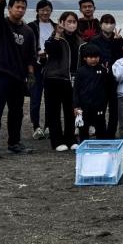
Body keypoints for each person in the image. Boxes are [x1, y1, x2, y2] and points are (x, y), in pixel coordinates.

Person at [0, 0, 36, 159]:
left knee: (16, 112)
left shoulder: (28, 31)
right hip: (0, 74)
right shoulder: (1, 24)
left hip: (18, 78)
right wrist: (0, 0)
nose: (20, 10)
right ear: (10, 8)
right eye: (17, 7)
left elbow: (30, 56)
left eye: (23, 8)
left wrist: (31, 76)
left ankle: (14, 143)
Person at [44, 11, 84, 151]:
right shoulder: (56, 38)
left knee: (70, 110)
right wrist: (57, 34)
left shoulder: (80, 41)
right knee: (54, 111)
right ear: (61, 22)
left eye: (74, 21)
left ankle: (71, 138)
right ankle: (56, 140)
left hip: (72, 79)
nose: (71, 24)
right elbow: (49, 49)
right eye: (68, 21)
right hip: (54, 78)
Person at [88, 13, 123, 138]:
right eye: (106, 23)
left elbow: (121, 57)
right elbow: (91, 56)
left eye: (111, 23)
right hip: (100, 78)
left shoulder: (118, 38)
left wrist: (117, 42)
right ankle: (100, 133)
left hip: (115, 78)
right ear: (100, 24)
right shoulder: (95, 40)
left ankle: (111, 133)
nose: (109, 25)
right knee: (100, 107)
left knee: (114, 109)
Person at [28, 0, 55, 140]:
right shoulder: (31, 26)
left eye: (48, 10)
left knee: (51, 98)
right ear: (37, 11)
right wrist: (37, 53)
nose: (45, 12)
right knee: (35, 97)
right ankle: (36, 126)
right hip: (36, 66)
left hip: (51, 66)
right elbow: (26, 46)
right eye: (42, 10)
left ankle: (49, 125)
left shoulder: (55, 27)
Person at [73, 43, 109, 142]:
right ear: (85, 58)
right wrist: (76, 106)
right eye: (91, 57)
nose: (93, 59)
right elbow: (76, 90)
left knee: (101, 126)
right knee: (83, 128)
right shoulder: (80, 71)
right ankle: (84, 146)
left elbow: (106, 88)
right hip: (83, 106)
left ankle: (102, 145)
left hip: (99, 105)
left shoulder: (103, 71)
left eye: (96, 57)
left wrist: (104, 103)